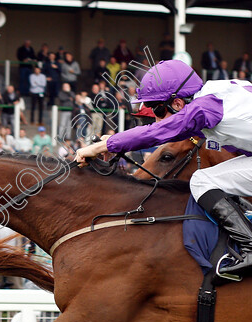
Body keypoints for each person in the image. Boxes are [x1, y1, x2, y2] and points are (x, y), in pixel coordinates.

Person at [76, 60, 252, 276]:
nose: (157, 118)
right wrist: (113, 141)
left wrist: (106, 145)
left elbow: (163, 131)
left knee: (202, 181)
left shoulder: (205, 107)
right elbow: (169, 131)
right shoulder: (214, 93)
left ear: (178, 103)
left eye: (157, 109)